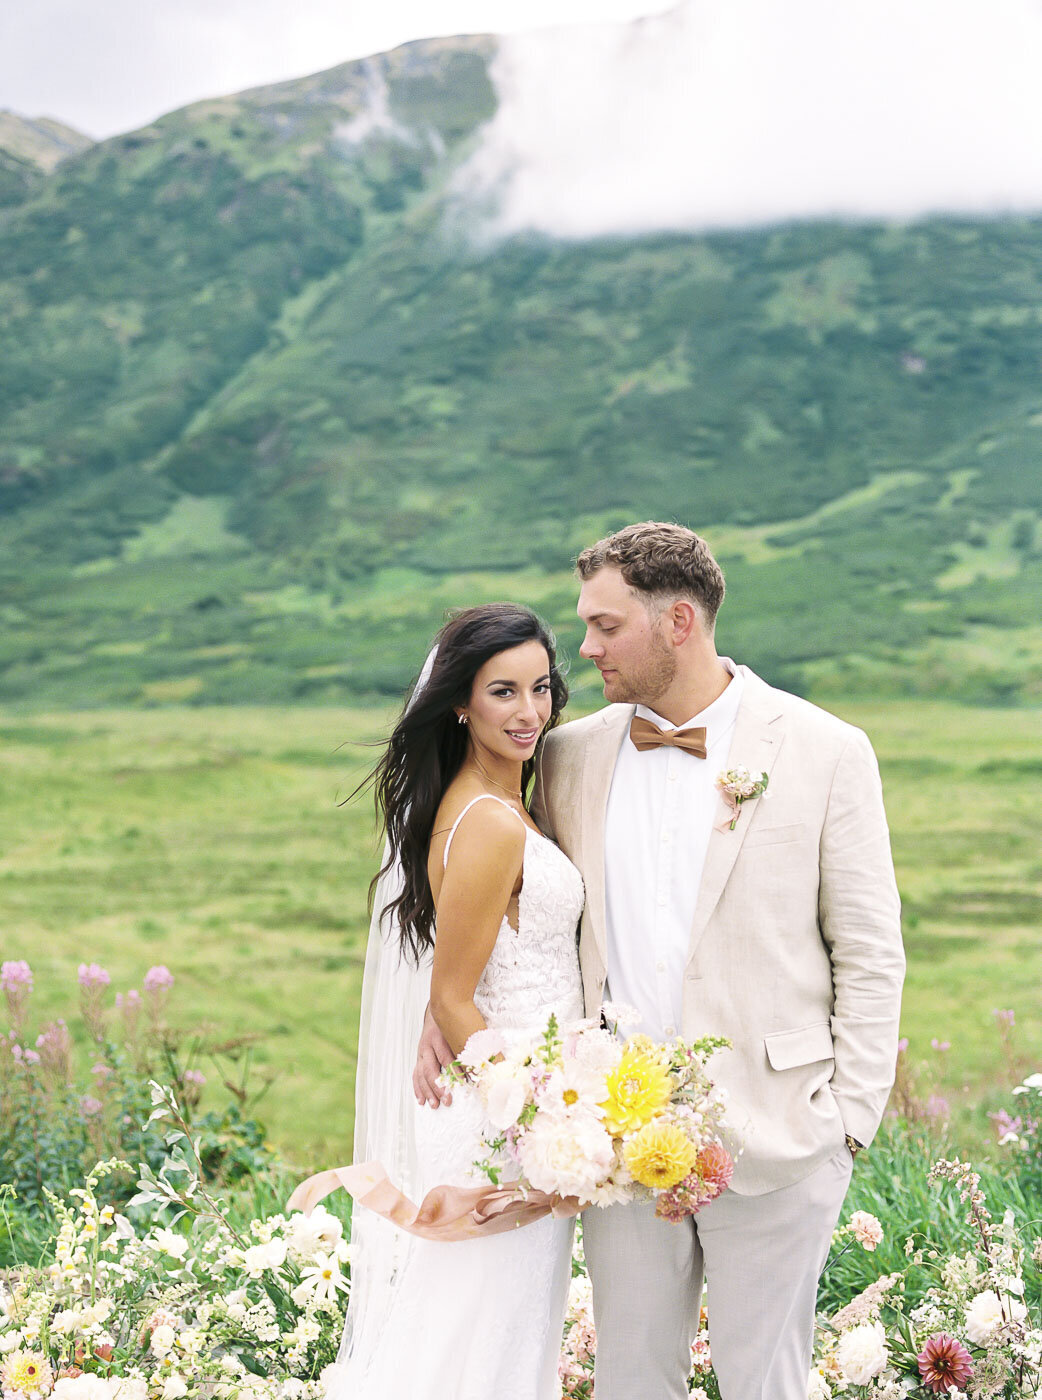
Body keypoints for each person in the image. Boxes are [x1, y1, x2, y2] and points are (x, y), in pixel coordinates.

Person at [414, 521, 905, 1400]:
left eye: (605, 626)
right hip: (612, 1139)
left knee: (767, 1382)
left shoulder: (827, 751)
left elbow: (871, 952)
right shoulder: (566, 755)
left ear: (678, 622)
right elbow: (510, 900)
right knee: (632, 1380)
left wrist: (847, 1123)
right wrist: (439, 1008)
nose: (585, 647)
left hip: (781, 1130)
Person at [326, 602, 585, 1400]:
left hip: (510, 1096)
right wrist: (542, 1119)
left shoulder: (505, 803)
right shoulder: (488, 823)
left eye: (540, 688)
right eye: (503, 692)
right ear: (461, 705)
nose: (529, 712)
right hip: (504, 1116)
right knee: (479, 1322)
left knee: (498, 1324)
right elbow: (452, 996)